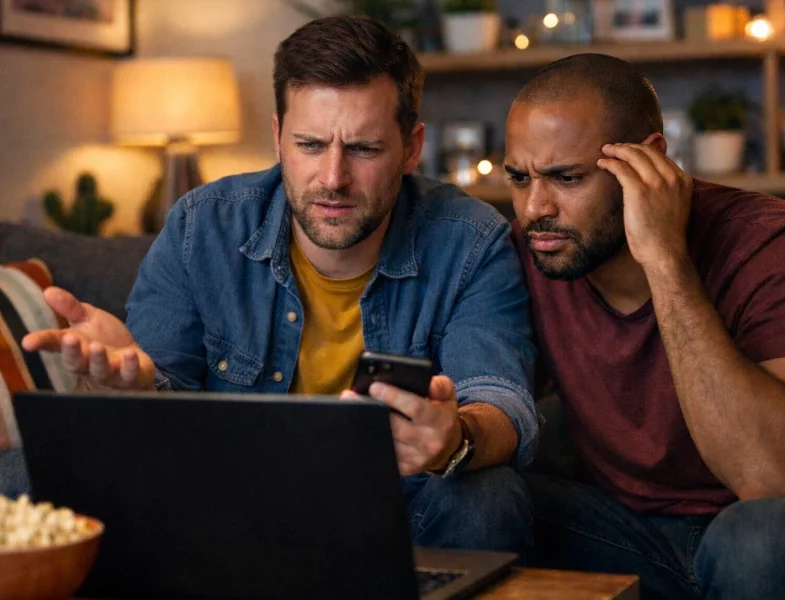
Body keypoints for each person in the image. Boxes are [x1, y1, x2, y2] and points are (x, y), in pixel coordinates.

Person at [20, 16, 538, 555]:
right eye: (310, 145)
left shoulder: (472, 241)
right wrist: (123, 390)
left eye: (363, 149)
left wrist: (456, 439)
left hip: (397, 508)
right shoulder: (202, 224)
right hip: (227, 501)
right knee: (23, 475)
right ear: (277, 138)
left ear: (411, 148)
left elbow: (501, 403)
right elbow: (156, 425)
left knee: (488, 497)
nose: (333, 178)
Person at [504, 53, 785, 599]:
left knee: (754, 539)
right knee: (474, 498)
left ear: (648, 160)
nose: (535, 207)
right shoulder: (533, 254)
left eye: (566, 178)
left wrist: (664, 259)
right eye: (519, 178)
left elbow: (774, 478)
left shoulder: (775, 243)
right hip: (644, 534)